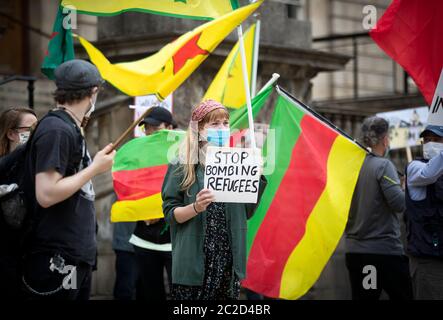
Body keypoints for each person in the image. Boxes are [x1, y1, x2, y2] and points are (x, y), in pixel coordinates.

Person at [21, 59, 116, 300]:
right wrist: (95, 168)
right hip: (56, 258)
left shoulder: (69, 127)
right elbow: (46, 193)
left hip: (73, 255)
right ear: (93, 91)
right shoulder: (56, 129)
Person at [161, 99, 266, 300]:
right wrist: (196, 207)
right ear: (199, 129)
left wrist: (256, 177)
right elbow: (170, 215)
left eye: (226, 123)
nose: (222, 128)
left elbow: (247, 213)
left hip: (227, 262)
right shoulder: (182, 164)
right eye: (215, 124)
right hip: (194, 265)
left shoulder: (236, 163)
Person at [345, 116, 413, 300]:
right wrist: (406, 189)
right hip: (383, 254)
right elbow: (399, 204)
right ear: (385, 139)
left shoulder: (351, 166)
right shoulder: (384, 166)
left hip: (356, 253)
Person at [129, 106, 176, 301]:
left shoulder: (182, 155)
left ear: (170, 128)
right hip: (144, 237)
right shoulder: (139, 155)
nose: (149, 132)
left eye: (155, 127)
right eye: (146, 128)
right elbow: (129, 188)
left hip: (175, 240)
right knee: (149, 292)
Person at [0, 107, 37, 299]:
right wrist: (24, 149)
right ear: (11, 133)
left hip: (30, 252)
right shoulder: (6, 162)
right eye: (31, 129)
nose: (35, 135)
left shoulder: (35, 164)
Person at [405, 125, 443, 299]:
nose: (431, 144)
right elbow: (429, 174)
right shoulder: (415, 167)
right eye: (427, 140)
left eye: (436, 140)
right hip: (428, 259)